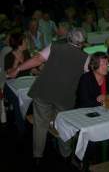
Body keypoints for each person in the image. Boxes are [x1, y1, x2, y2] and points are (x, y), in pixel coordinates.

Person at [7, 29, 88, 166]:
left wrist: (18, 69)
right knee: (64, 125)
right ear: (83, 43)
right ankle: (65, 154)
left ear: (68, 38)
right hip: (65, 97)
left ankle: (37, 156)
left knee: (40, 125)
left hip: (44, 91)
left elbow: (37, 59)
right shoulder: (86, 58)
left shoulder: (54, 46)